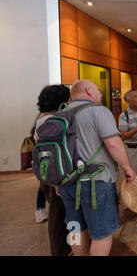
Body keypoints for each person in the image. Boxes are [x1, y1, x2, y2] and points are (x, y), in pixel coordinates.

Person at [57, 80, 136, 256]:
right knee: (103, 234)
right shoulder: (97, 111)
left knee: (76, 227)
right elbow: (114, 144)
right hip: (95, 183)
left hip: (66, 183)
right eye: (98, 91)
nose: (100, 94)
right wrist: (127, 168)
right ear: (89, 91)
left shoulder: (60, 114)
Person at [34, 84, 72, 256]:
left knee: (61, 215)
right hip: (55, 176)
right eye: (68, 99)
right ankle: (61, 251)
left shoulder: (43, 118)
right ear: (61, 101)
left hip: (50, 174)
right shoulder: (50, 122)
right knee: (58, 218)